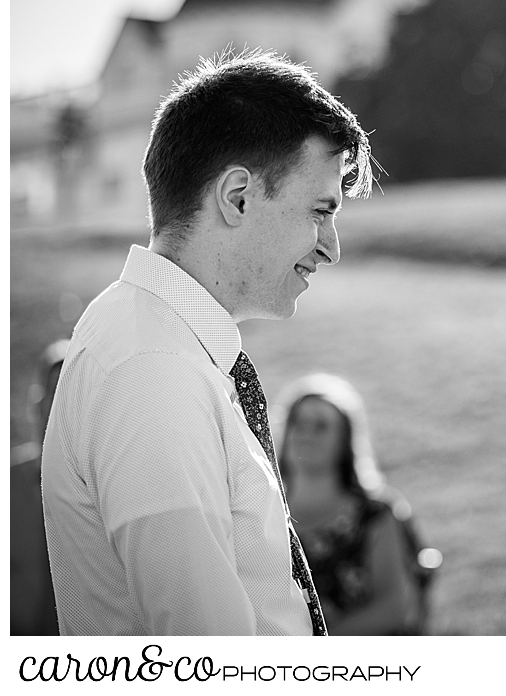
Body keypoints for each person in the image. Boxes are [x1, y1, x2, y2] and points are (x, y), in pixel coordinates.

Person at [41, 49, 372, 636]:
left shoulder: (159, 342)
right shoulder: (151, 371)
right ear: (238, 196)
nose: (330, 246)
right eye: (320, 211)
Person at [275, 373, 436, 635]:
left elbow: (396, 608)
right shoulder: (261, 510)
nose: (305, 434)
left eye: (320, 426)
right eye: (298, 423)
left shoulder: (376, 513)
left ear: (345, 440)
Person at [11, 340, 68, 636]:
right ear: (37, 404)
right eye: (57, 389)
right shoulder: (8, 487)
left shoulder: (110, 494)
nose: (64, 403)